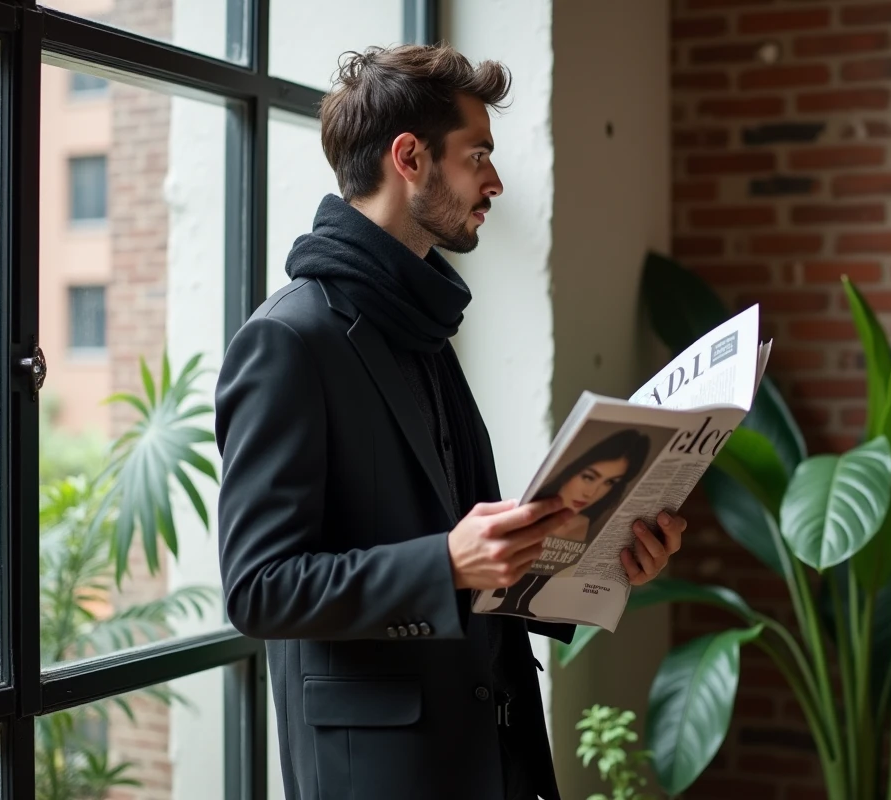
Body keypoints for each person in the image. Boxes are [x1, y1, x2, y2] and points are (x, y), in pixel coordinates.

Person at [213, 43, 686, 800]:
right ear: (409, 157)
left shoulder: (422, 321)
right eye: (478, 156)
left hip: (495, 756)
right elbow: (259, 588)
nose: (495, 182)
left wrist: (597, 561)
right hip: (382, 777)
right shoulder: (288, 340)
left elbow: (471, 552)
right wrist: (446, 564)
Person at [489, 429, 652, 618]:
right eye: (588, 477)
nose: (591, 493)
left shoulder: (590, 527)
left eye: (609, 483)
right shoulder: (523, 515)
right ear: (572, 468)